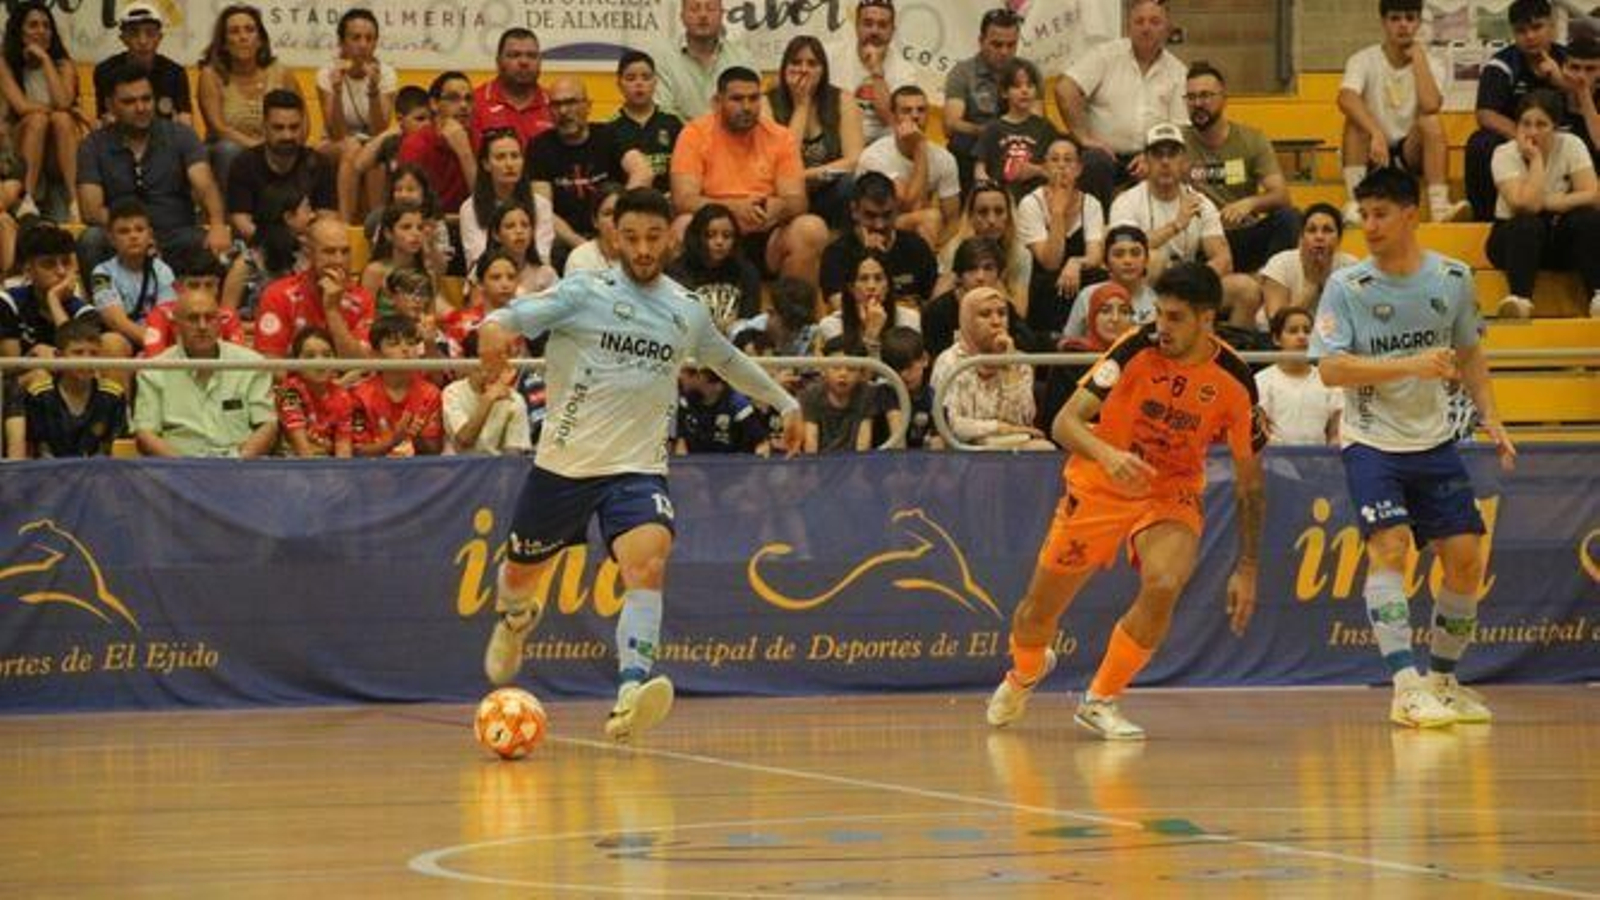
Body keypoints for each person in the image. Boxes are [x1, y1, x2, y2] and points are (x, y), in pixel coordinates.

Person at [477, 187, 803, 743]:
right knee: (518, 575)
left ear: (670, 239)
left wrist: (785, 401)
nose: (644, 249)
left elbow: (727, 360)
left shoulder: (686, 308)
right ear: (615, 238)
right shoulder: (584, 291)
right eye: (632, 238)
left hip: (637, 468)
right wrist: (493, 328)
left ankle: (630, 692)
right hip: (564, 467)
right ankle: (515, 616)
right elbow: (512, 315)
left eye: (654, 237)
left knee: (648, 563)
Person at [986, 263, 1267, 740]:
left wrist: (1248, 567)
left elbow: (1250, 483)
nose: (1162, 327)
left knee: (1165, 582)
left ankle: (1101, 699)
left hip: (1170, 488)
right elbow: (1064, 423)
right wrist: (1108, 455)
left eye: (1175, 318)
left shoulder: (1235, 380)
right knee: (1036, 615)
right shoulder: (1134, 349)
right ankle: (1025, 673)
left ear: (1207, 319)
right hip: (1101, 482)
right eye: (1158, 313)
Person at [1310, 167, 1517, 728]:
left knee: (1466, 559)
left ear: (1410, 214)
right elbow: (1330, 370)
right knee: (1391, 546)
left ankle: (1443, 681)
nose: (1370, 225)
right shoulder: (1348, 286)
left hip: (1434, 439)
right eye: (1364, 215)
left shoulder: (1452, 278)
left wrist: (1492, 416)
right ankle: (1404, 687)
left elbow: (1470, 353)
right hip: (1370, 440)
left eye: (1381, 214)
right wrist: (1410, 364)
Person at [671, 67, 830, 287]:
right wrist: (732, 208)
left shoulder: (780, 137)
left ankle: (792, 307)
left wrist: (780, 207)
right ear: (717, 102)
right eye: (737, 99)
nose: (747, 107)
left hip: (765, 232)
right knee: (683, 225)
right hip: (713, 230)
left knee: (812, 228)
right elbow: (683, 199)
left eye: (754, 99)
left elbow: (798, 201)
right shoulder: (694, 134)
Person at [76, 64, 231, 268]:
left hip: (176, 234)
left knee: (210, 244)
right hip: (123, 236)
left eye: (146, 99)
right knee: (91, 239)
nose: (141, 108)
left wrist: (218, 224)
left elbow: (205, 184)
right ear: (110, 105)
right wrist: (137, 232)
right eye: (129, 102)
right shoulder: (93, 145)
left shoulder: (181, 135)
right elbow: (91, 210)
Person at [1109, 124, 1257, 328]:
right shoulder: (1127, 202)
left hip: (1189, 286)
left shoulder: (1200, 203)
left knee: (1247, 289)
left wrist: (1193, 282)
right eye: (1158, 155)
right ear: (1146, 161)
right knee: (1155, 259)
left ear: (1184, 162)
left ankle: (1228, 346)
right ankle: (1141, 336)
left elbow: (1223, 259)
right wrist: (1176, 225)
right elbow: (1123, 251)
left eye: (1172, 154)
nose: (1165, 162)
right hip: (1145, 287)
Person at [1337, 0, 1467, 226]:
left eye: (1410, 18)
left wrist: (1418, 59)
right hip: (1373, 152)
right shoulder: (1363, 59)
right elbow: (1345, 98)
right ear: (1384, 22)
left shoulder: (1432, 63)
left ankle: (1440, 208)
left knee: (1431, 122)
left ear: (1418, 22)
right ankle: (1357, 204)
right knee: (1355, 122)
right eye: (1395, 18)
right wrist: (1375, 132)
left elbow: (1431, 105)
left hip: (1410, 152)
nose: (1403, 25)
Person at [1056, 0, 1188, 207]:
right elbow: (1065, 88)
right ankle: (1095, 224)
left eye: (1154, 22)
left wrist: (1152, 155)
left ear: (1167, 28)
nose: (1146, 28)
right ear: (1128, 27)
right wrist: (1083, 137)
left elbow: (1180, 127)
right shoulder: (1105, 55)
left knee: (1169, 165)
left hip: (1151, 156)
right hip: (1104, 155)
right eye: (1139, 21)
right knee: (1094, 162)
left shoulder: (1178, 72)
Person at [1486, 89, 1600, 319]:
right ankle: (1520, 300)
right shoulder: (1504, 153)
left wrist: (1550, 202)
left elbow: (1593, 196)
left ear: (1555, 127)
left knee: (1588, 220)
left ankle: (1597, 296)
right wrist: (1536, 159)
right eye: (1525, 124)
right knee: (1527, 223)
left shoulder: (1571, 144)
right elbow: (1525, 205)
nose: (1532, 132)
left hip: (1556, 236)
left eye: (1541, 125)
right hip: (1511, 238)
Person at [1182, 61, 1301, 272]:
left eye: (1206, 96)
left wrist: (1250, 203)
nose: (1198, 103)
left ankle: (1273, 279)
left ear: (1224, 98)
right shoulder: (1177, 142)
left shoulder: (1251, 140)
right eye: (1191, 97)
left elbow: (1281, 196)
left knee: (1289, 218)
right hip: (1201, 240)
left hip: (1243, 234)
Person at [133, 286, 278, 458]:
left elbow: (267, 425)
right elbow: (145, 433)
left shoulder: (251, 364)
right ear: (176, 327)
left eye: (209, 318)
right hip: (177, 468)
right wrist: (183, 468)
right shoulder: (154, 371)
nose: (202, 326)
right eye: (193, 319)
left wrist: (239, 461)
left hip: (240, 466)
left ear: (219, 323)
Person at [1465, 0, 1569, 221]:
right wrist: (1526, 138)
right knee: (1481, 143)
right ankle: (1485, 218)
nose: (1530, 36)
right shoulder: (1501, 64)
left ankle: (1576, 213)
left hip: (1562, 139)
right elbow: (1485, 114)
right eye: (1521, 31)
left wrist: (1561, 82)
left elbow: (1587, 105)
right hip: (1515, 141)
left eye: (1537, 27)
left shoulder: (1570, 60)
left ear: (1552, 26)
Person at [527, 77, 652, 252]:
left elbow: (643, 172)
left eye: (571, 102)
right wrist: (582, 246)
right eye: (556, 105)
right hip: (565, 239)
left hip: (613, 229)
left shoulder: (610, 135)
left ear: (588, 106)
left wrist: (618, 216)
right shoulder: (539, 146)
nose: (563, 111)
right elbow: (543, 209)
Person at [930, 286, 1052, 451]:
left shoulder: (1020, 362)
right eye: (985, 314)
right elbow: (951, 424)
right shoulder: (949, 361)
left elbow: (1023, 419)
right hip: (963, 447)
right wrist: (1000, 427)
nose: (996, 322)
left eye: (1002, 313)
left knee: (1043, 448)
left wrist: (1009, 367)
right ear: (968, 320)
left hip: (1008, 445)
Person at [196, 4, 302, 192]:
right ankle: (232, 209)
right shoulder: (211, 75)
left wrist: (284, 145)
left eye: (250, 30)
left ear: (260, 39)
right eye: (234, 32)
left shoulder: (281, 73)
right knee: (229, 150)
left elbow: (303, 120)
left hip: (276, 149)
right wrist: (261, 148)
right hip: (228, 152)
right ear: (224, 43)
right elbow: (218, 128)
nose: (243, 37)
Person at [765, 36, 863, 228]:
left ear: (823, 70)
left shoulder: (842, 99)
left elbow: (854, 160)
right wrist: (801, 105)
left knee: (851, 184)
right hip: (784, 193)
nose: (804, 69)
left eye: (812, 64)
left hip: (828, 189)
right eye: (796, 63)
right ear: (784, 68)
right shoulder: (766, 103)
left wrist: (806, 175)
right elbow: (783, 161)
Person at [943, 8, 1042, 194]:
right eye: (997, 45)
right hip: (976, 142)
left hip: (1019, 140)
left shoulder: (1029, 71)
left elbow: (1037, 120)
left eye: (1011, 45)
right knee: (959, 142)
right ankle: (972, 203)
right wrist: (986, 131)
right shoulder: (962, 72)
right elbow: (950, 125)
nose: (1004, 52)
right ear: (981, 41)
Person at [1017, 136, 1105, 340]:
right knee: (1050, 282)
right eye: (1055, 159)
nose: (1061, 166)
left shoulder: (1091, 204)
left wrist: (1076, 262)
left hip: (1079, 282)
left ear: (1079, 169)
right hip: (1043, 286)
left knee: (1098, 278)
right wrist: (1057, 212)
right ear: (1045, 167)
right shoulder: (1030, 203)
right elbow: (1051, 262)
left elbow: (1094, 256)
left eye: (1068, 160)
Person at [0, 2, 81, 218]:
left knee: (62, 119)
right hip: (20, 143)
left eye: (46, 26)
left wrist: (45, 60)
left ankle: (74, 200)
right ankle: (27, 198)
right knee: (38, 119)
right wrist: (59, 110)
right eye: (33, 25)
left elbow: (63, 103)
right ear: (20, 31)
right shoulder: (5, 63)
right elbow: (22, 107)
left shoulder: (64, 65)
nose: (41, 31)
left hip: (56, 151)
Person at [315, 8, 397, 222]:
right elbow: (336, 132)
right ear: (342, 42)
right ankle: (345, 224)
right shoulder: (326, 73)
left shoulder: (386, 74)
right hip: (332, 144)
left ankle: (376, 224)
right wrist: (337, 90)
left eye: (369, 38)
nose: (363, 44)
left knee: (375, 152)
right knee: (351, 146)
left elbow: (379, 130)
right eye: (356, 38)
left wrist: (373, 90)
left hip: (369, 142)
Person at [224, 90, 338, 241]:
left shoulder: (319, 163)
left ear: (303, 126)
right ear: (264, 127)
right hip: (260, 247)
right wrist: (284, 241)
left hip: (307, 245)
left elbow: (327, 219)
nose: (287, 135)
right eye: (278, 128)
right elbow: (242, 224)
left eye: (294, 127)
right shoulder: (244, 164)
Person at [2, 317, 125, 459]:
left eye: (94, 353)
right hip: (49, 470)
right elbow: (36, 451)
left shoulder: (113, 395)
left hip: (97, 471)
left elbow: (117, 450)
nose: (87, 360)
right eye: (78, 352)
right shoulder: (39, 395)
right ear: (59, 356)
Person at [856, 85, 961, 250]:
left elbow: (952, 220)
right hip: (877, 226)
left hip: (920, 232)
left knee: (932, 220)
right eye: (906, 111)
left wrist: (939, 248)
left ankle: (927, 262)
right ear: (893, 117)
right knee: (930, 217)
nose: (915, 116)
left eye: (921, 110)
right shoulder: (875, 156)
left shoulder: (945, 159)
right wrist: (920, 147)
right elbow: (910, 206)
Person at [254, 217, 375, 359]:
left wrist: (332, 311)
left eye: (345, 251)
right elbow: (271, 364)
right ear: (309, 253)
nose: (339, 260)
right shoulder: (278, 295)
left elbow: (360, 363)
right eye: (329, 252)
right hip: (294, 375)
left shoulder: (363, 299)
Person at [819, 171, 937, 310]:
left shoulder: (916, 247)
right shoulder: (836, 254)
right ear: (854, 211)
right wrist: (869, 255)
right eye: (870, 215)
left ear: (896, 209)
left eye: (887, 215)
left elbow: (930, 304)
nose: (879, 225)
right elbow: (842, 309)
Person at [89, 198, 177, 356]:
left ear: (150, 235)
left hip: (161, 337)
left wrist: (156, 345)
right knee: (110, 342)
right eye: (124, 231)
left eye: (139, 229)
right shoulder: (102, 273)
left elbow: (166, 316)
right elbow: (117, 322)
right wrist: (152, 343)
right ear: (111, 239)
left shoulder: (163, 270)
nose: (133, 236)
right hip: (125, 340)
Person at [460, 128, 555, 270]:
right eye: (500, 157)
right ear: (486, 164)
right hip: (490, 277)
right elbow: (477, 259)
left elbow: (542, 256)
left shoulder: (541, 205)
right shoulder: (470, 208)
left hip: (533, 276)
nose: (509, 164)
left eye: (515, 156)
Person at [351, 314, 443, 457]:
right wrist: (394, 441)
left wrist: (417, 437)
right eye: (394, 344)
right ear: (376, 354)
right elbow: (357, 452)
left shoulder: (430, 393)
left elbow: (434, 451)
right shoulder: (360, 395)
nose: (405, 349)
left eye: (411, 343)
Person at [652, 0, 755, 122]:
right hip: (680, 133)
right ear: (682, 17)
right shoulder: (663, 58)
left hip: (733, 132)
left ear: (721, 15)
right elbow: (664, 110)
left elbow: (752, 107)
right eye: (695, 9)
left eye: (710, 9)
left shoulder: (743, 58)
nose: (703, 15)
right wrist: (698, 132)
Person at [1, 223, 92, 360]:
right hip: (25, 373)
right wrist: (31, 360)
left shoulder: (84, 311)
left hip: (67, 374)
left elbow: (79, 362)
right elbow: (9, 364)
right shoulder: (8, 303)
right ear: (28, 270)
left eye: (66, 262)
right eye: (49, 264)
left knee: (112, 339)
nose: (61, 272)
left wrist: (54, 300)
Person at [92, 3, 192, 128]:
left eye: (150, 33)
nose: (142, 41)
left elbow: (185, 120)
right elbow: (104, 118)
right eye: (134, 33)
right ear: (123, 39)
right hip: (122, 135)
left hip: (164, 137)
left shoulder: (175, 73)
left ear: (159, 38)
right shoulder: (105, 71)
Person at [827, 0, 912, 144]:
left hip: (880, 146)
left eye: (882, 25)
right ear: (856, 26)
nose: (874, 31)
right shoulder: (829, 55)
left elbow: (892, 121)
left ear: (892, 31)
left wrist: (877, 71)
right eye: (868, 23)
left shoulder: (905, 71)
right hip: (835, 139)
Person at [974, 59, 1061, 201]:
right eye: (1017, 86)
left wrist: (1036, 170)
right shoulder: (993, 128)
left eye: (1030, 85)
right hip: (1003, 201)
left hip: (1039, 200)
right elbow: (979, 169)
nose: (1024, 91)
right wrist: (991, 188)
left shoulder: (1046, 128)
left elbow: (1058, 169)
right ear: (1004, 92)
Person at [668, 202, 762, 333]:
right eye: (711, 235)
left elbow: (749, 322)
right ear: (696, 237)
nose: (719, 242)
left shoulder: (746, 272)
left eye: (727, 236)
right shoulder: (677, 272)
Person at [1255, 307, 1341, 446]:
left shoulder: (1329, 379)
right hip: (1275, 457)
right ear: (1276, 339)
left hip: (1321, 457)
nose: (1302, 337)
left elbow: (1335, 433)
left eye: (1307, 331)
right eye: (1293, 331)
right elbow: (1260, 432)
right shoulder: (1262, 380)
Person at [1259, 203, 1358, 322]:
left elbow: (1360, 316)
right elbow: (1276, 324)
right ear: (1301, 237)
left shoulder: (1351, 267)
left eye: (1327, 230)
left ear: (1339, 238)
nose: (1319, 237)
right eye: (1311, 230)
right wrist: (1312, 284)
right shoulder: (1280, 264)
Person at [1060, 224, 1158, 342]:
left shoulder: (1157, 301)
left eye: (1135, 253)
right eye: (1118, 254)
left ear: (1146, 260)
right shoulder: (1087, 296)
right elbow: (1067, 343)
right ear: (1106, 263)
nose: (1128, 260)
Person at [938, 180, 1031, 303]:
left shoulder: (1020, 254)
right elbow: (937, 305)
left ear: (1009, 216)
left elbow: (1020, 311)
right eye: (983, 212)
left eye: (999, 211)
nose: (991, 220)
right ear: (971, 217)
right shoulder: (954, 250)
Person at [397, 71, 477, 215]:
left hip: (469, 223)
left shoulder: (478, 139)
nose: (464, 105)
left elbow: (484, 205)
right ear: (434, 104)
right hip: (427, 223)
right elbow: (409, 209)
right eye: (453, 98)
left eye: (468, 99)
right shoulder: (415, 145)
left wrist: (465, 153)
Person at [443, 329, 532, 456]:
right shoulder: (452, 392)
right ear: (473, 361)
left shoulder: (514, 399)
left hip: (498, 467)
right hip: (460, 466)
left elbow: (514, 456)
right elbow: (464, 440)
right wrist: (488, 399)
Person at [816, 247, 921, 353]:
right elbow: (849, 364)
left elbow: (907, 362)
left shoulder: (909, 320)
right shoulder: (832, 325)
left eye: (878, 278)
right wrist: (871, 334)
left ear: (888, 286)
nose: (871, 286)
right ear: (851, 288)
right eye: (863, 279)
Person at [611, 51, 685, 194]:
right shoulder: (609, 128)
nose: (639, 84)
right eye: (630, 78)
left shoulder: (673, 122)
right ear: (619, 84)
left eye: (646, 77)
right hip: (629, 202)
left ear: (655, 82)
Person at [276, 325, 355, 458]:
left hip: (327, 464)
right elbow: (302, 449)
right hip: (292, 463)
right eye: (310, 356)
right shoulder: (290, 391)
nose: (320, 362)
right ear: (296, 362)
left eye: (327, 355)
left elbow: (344, 449)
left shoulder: (342, 395)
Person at [470, 28, 553, 148]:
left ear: (540, 61)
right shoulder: (475, 102)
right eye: (514, 55)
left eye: (531, 56)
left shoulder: (554, 103)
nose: (524, 62)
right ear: (498, 61)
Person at [801, 336, 876, 453]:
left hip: (855, 460)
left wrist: (859, 463)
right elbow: (811, 440)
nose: (843, 374)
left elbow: (864, 443)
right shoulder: (811, 394)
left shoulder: (866, 394)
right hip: (820, 460)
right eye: (836, 367)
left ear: (861, 373)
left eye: (851, 369)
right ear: (824, 369)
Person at [675, 366, 770, 455]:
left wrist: (757, 457)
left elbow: (761, 443)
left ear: (718, 386)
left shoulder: (738, 405)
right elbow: (681, 439)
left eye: (700, 380)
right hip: (695, 461)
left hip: (731, 462)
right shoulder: (686, 400)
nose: (695, 382)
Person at [875, 325, 937, 450]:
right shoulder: (884, 393)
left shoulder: (933, 397)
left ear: (925, 359)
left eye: (909, 366)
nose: (903, 375)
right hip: (887, 459)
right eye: (896, 369)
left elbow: (938, 443)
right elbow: (898, 442)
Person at [564, 182, 625, 274]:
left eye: (620, 212)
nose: (615, 219)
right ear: (595, 221)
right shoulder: (580, 258)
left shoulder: (640, 254)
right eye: (608, 214)